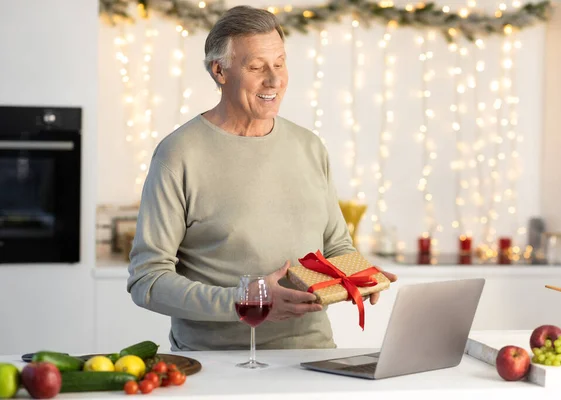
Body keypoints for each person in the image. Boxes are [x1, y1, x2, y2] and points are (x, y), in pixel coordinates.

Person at [127, 5, 397, 351]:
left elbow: (337, 246)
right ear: (219, 70)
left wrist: (359, 277)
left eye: (280, 63)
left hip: (312, 355)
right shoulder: (178, 154)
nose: (274, 80)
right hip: (218, 363)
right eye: (256, 67)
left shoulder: (308, 146)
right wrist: (245, 301)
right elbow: (147, 281)